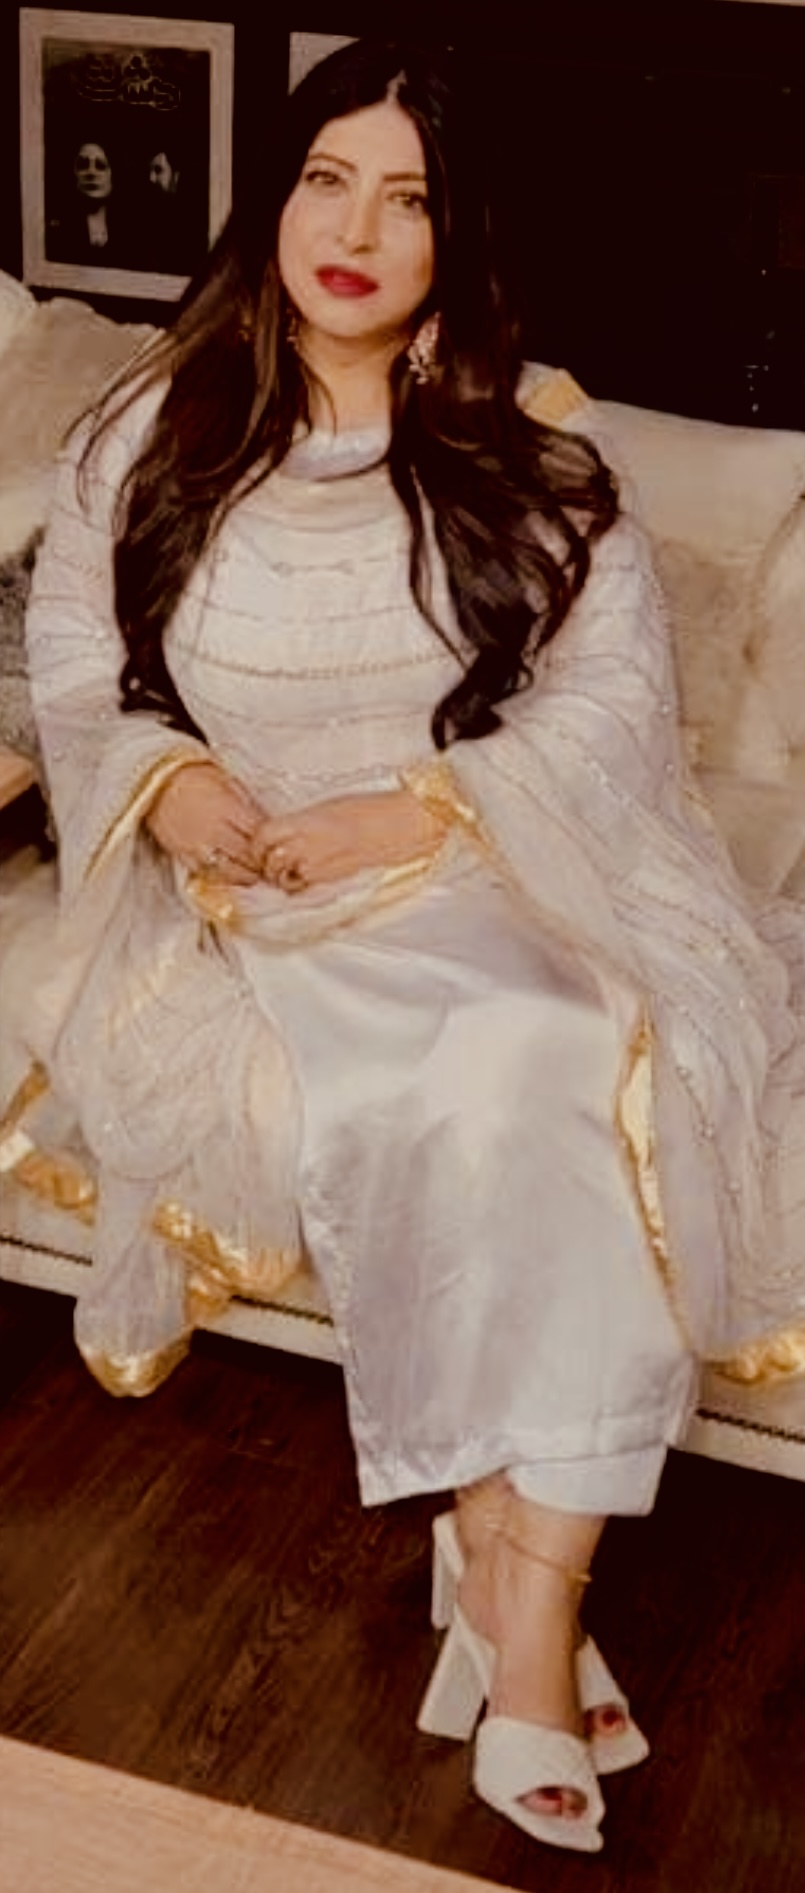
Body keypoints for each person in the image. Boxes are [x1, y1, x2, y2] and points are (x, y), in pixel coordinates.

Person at [7, 35, 805, 1854]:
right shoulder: (154, 425)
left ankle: (517, 1600)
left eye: (408, 198)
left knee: (563, 1045)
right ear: (277, 198)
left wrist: (429, 808)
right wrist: (167, 778)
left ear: (460, 236)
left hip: (484, 869)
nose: (354, 232)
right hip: (262, 892)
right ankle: (520, 1603)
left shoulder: (531, 445)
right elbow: (73, 658)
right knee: (512, 1064)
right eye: (326, 181)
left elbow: (607, 711)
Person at [46, 139, 117, 264]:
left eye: (100, 166)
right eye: (83, 165)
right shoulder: (55, 229)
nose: (91, 173)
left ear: (112, 174)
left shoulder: (133, 230)